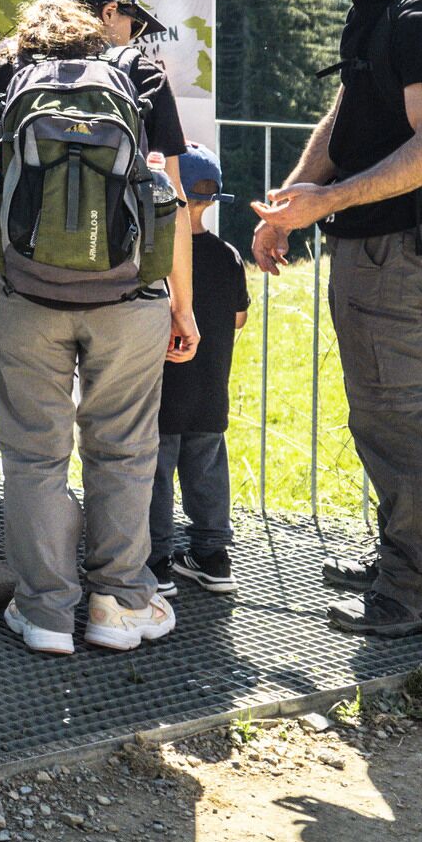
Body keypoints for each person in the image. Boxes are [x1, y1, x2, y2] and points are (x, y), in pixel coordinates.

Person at [252, 0, 422, 636]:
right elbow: (347, 113)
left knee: (395, 417)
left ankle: (419, 592)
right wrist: (294, 198)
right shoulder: (373, 12)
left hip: (391, 247)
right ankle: (414, 559)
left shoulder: (419, 18)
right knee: (383, 414)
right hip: (369, 245)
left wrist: (326, 202)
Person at [0, 0, 198, 657]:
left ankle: (44, 612)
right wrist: (182, 305)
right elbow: (171, 201)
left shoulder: (1, 66)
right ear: (108, 13)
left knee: (34, 455)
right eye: (130, 18)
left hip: (26, 297)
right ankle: (118, 605)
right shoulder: (138, 72)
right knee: (123, 449)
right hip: (127, 298)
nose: (134, 30)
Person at [151, 148, 250, 594]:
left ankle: (156, 562)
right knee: (207, 473)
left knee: (156, 475)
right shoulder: (228, 256)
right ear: (213, 199)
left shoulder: (156, 256)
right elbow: (238, 318)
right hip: (210, 390)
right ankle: (212, 556)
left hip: (162, 390)